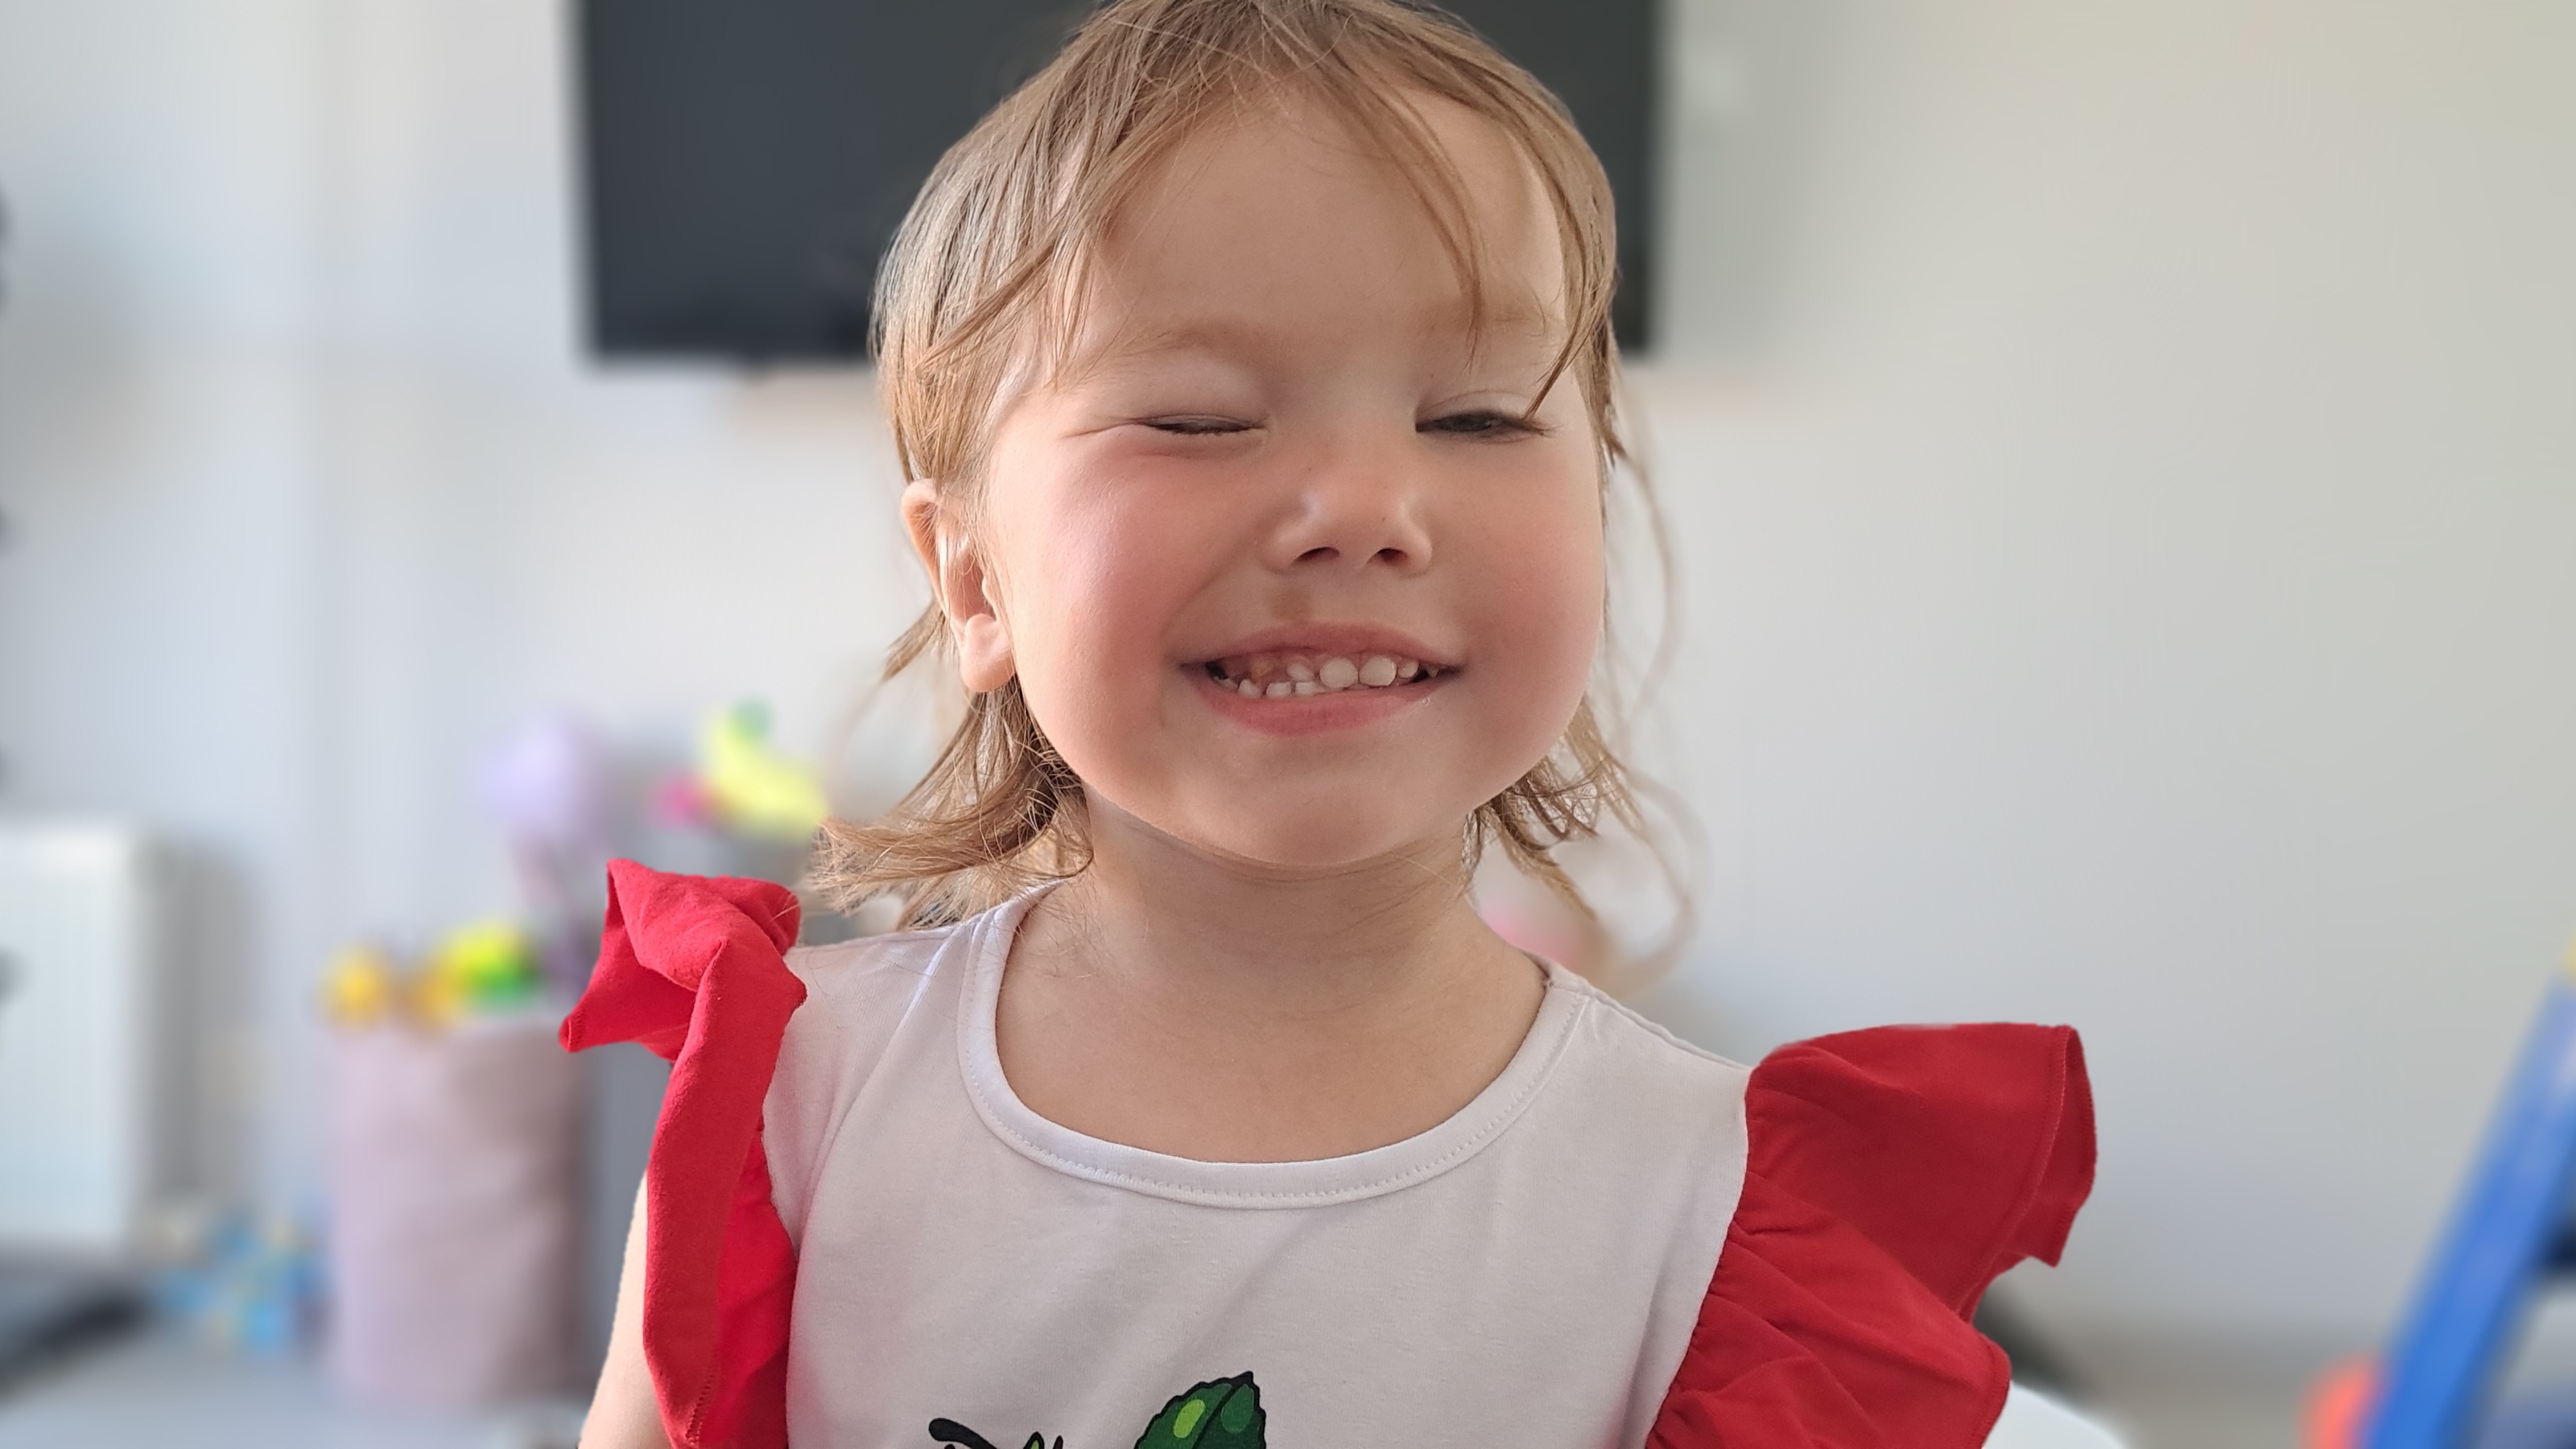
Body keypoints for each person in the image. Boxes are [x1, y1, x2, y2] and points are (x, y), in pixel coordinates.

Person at [570, 2, 2098, 1445]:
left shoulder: (1704, 1205)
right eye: (1199, 417)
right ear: (974, 577)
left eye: (1479, 418)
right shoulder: (796, 1100)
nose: (1365, 507)